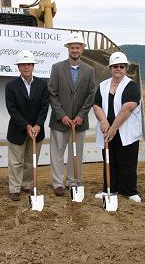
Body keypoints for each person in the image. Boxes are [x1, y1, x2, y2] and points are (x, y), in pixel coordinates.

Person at [48, 32, 96, 196]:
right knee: (57, 152)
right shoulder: (57, 68)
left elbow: (91, 94)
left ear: (82, 49)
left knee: (76, 152)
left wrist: (81, 115)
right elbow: (52, 93)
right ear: (68, 48)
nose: (75, 50)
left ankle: (73, 181)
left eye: (78, 47)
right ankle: (57, 183)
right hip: (59, 120)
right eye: (72, 47)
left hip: (79, 121)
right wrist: (62, 115)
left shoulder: (89, 71)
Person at [93, 52, 143, 202]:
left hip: (125, 131)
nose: (118, 69)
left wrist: (113, 128)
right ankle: (110, 188)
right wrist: (103, 121)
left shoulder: (131, 86)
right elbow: (96, 105)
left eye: (122, 66)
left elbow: (127, 108)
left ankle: (129, 191)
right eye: (115, 66)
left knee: (127, 161)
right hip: (106, 129)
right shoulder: (103, 85)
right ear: (110, 68)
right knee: (109, 159)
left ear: (126, 68)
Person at [5, 50, 49, 201]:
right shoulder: (11, 86)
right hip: (17, 130)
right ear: (18, 67)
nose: (26, 67)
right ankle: (15, 188)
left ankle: (28, 184)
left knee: (31, 160)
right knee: (16, 162)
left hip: (37, 131)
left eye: (29, 64)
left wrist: (37, 125)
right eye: (23, 64)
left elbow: (44, 107)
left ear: (33, 66)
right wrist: (26, 126)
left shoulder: (42, 84)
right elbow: (12, 110)